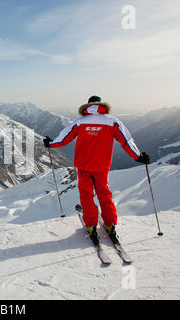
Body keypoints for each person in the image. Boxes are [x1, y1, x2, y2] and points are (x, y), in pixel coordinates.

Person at [43, 96, 150, 244]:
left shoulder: (80, 122)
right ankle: (110, 224)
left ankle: (91, 225)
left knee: (86, 195)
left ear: (88, 106)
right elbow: (127, 141)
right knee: (104, 193)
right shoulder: (113, 122)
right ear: (101, 105)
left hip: (84, 165)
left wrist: (50, 144)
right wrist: (138, 156)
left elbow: (63, 139)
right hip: (102, 166)